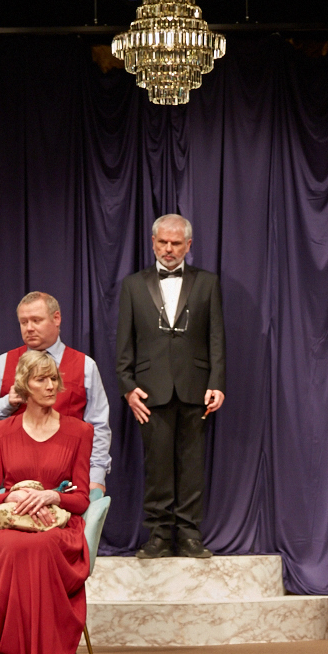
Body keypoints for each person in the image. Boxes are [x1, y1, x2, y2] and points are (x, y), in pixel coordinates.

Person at [0, 351, 93, 654]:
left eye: (53, 378)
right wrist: (14, 495)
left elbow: (81, 499)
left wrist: (52, 496)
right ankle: (6, 651)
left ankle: (45, 652)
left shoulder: (79, 432)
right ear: (24, 385)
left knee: (43, 546)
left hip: (56, 525)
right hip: (12, 521)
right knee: (12, 546)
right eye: (41, 379)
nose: (51, 386)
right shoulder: (0, 431)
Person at [116, 213, 225, 559]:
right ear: (153, 242)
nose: (168, 249)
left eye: (176, 243)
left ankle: (190, 534)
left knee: (192, 465)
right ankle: (160, 535)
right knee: (158, 465)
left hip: (196, 386)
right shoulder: (133, 285)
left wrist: (217, 382)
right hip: (150, 390)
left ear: (188, 245)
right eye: (162, 242)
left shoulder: (207, 282)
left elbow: (216, 337)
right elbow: (124, 342)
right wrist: (127, 386)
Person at [0, 291, 112, 497]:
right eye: (23, 322)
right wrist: (7, 403)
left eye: (36, 320)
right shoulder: (2, 364)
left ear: (56, 318)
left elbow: (98, 425)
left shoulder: (85, 366)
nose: (29, 328)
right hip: (17, 487)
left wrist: (96, 477)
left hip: (68, 482)